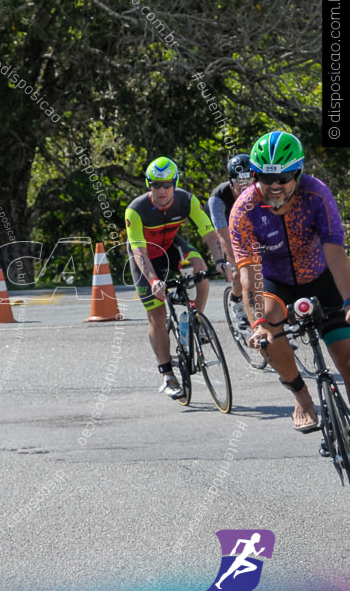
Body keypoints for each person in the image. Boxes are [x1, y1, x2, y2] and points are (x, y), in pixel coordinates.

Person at [231, 130, 350, 436]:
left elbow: (336, 254)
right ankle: (302, 398)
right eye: (264, 178)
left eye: (283, 178)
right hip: (276, 281)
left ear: (298, 173)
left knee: (347, 357)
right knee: (268, 329)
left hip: (322, 277)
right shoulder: (245, 210)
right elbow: (249, 274)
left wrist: (349, 301)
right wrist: (257, 321)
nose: (274, 186)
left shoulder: (316, 194)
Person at [126, 157, 228, 398]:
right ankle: (167, 374)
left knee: (200, 268)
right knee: (157, 316)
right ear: (149, 185)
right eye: (156, 185)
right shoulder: (136, 210)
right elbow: (139, 252)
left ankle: (195, 319)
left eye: (167, 184)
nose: (162, 190)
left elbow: (209, 233)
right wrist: (153, 281)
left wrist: (222, 261)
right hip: (145, 260)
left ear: (175, 183)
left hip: (171, 248)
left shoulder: (186, 200)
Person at [207, 154, 254, 326]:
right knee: (238, 268)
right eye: (239, 183)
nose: (245, 187)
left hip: (248, 223)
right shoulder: (218, 199)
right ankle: (237, 300)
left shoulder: (260, 190)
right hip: (226, 227)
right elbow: (223, 237)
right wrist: (236, 263)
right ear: (230, 182)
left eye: (249, 182)